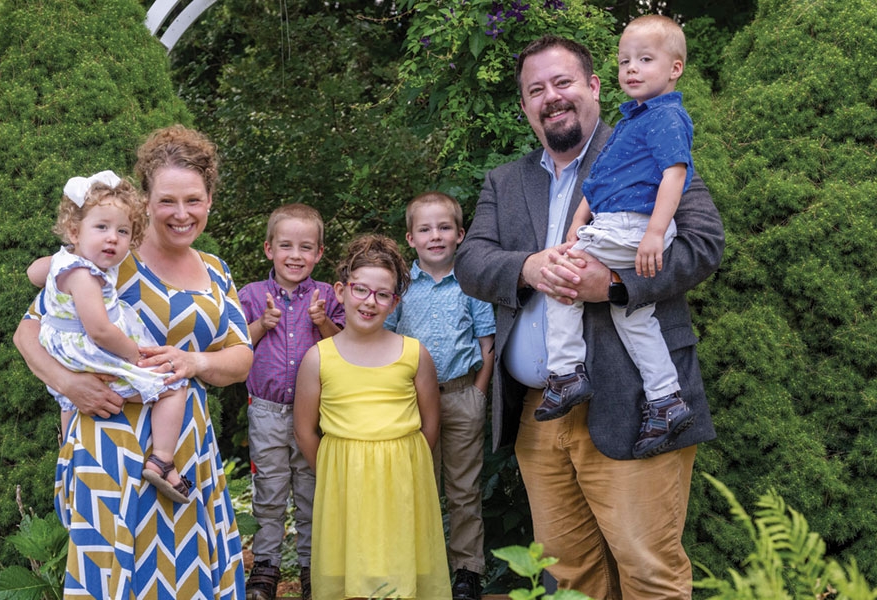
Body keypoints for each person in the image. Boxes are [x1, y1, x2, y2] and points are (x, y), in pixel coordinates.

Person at [454, 34, 724, 599]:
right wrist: (529, 267)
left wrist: (618, 284)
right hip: (541, 413)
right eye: (536, 90)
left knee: (649, 571)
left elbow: (702, 243)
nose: (551, 97)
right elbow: (472, 261)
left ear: (594, 87)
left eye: (563, 82)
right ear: (525, 106)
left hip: (631, 400)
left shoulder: (645, 139)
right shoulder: (506, 182)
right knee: (566, 575)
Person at [13, 125, 253, 599]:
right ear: (144, 201)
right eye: (167, 200)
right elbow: (28, 332)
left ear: (209, 201)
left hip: (183, 447)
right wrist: (69, 383)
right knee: (116, 573)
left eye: (194, 200)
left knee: (189, 572)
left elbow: (241, 357)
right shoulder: (107, 256)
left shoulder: (218, 271)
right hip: (109, 441)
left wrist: (196, 362)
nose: (181, 214)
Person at [537, 15, 696, 460]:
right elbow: (601, 182)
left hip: (634, 226)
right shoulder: (632, 123)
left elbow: (675, 175)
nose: (631, 68)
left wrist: (655, 233)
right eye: (625, 60)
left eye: (645, 59)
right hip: (618, 222)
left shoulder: (666, 117)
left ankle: (566, 371)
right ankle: (666, 399)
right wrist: (576, 226)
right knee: (634, 317)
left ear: (674, 69)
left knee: (560, 274)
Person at [293, 234, 452, 600]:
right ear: (341, 291)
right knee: (351, 575)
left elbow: (430, 425)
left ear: (395, 302)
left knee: (401, 571)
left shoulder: (414, 354)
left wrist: (401, 461)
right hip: (343, 484)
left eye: (383, 295)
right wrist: (339, 469)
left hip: (402, 483)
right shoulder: (319, 358)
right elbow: (304, 431)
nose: (370, 302)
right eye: (361, 290)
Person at [37, 170, 195, 503]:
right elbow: (99, 329)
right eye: (102, 228)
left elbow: (33, 273)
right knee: (172, 385)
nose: (112, 238)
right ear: (73, 231)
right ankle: (162, 460)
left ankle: (71, 458)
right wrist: (134, 354)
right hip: (93, 351)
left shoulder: (65, 262)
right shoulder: (84, 276)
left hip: (67, 352)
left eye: (122, 231)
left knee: (69, 404)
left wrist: (58, 262)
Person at [383, 191, 495, 600]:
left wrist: (478, 396)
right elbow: (386, 340)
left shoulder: (470, 283)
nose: (435, 236)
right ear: (410, 238)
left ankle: (467, 571)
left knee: (464, 490)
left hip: (463, 395)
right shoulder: (400, 287)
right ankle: (420, 569)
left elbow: (487, 347)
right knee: (419, 486)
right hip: (412, 404)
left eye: (444, 228)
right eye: (425, 229)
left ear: (460, 234)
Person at [239, 203, 345, 600]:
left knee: (312, 491)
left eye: (306, 247)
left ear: (319, 253)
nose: (295, 256)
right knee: (269, 488)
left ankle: (311, 567)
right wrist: (260, 325)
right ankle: (265, 566)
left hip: (316, 413)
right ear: (269, 249)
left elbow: (346, 348)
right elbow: (231, 347)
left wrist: (322, 322)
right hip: (265, 409)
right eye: (286, 246)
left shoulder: (327, 296)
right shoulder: (250, 296)